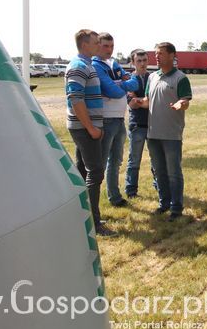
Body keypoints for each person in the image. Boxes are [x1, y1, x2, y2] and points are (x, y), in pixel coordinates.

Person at [131, 42, 192, 222]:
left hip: (171, 134)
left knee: (173, 172)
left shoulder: (180, 78)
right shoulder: (153, 77)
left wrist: (180, 104)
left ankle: (176, 207)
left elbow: (185, 101)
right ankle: (164, 203)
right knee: (159, 172)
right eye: (156, 54)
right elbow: (148, 101)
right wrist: (137, 102)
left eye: (161, 54)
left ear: (172, 55)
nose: (157, 57)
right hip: (153, 134)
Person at [65, 29, 114, 237]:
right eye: (95, 42)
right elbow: (76, 100)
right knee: (95, 172)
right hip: (84, 129)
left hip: (85, 128)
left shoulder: (87, 65)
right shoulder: (78, 66)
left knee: (83, 172)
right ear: (85, 45)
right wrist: (91, 128)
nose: (98, 45)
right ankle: (94, 223)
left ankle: (83, 216)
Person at [92, 33, 138, 208]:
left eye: (112, 46)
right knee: (101, 164)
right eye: (105, 46)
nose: (110, 49)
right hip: (106, 119)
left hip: (119, 119)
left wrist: (118, 83)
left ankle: (115, 197)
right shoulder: (96, 65)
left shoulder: (114, 63)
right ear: (98, 46)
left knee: (116, 161)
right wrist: (121, 83)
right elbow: (114, 91)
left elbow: (134, 84)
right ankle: (93, 204)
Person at [124, 49, 152, 198]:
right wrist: (146, 101)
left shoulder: (153, 78)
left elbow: (154, 100)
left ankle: (159, 187)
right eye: (139, 61)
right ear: (133, 62)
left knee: (156, 160)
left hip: (153, 125)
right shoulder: (129, 80)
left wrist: (140, 99)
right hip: (137, 126)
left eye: (145, 60)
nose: (142, 64)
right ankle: (131, 191)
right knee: (134, 161)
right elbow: (133, 104)